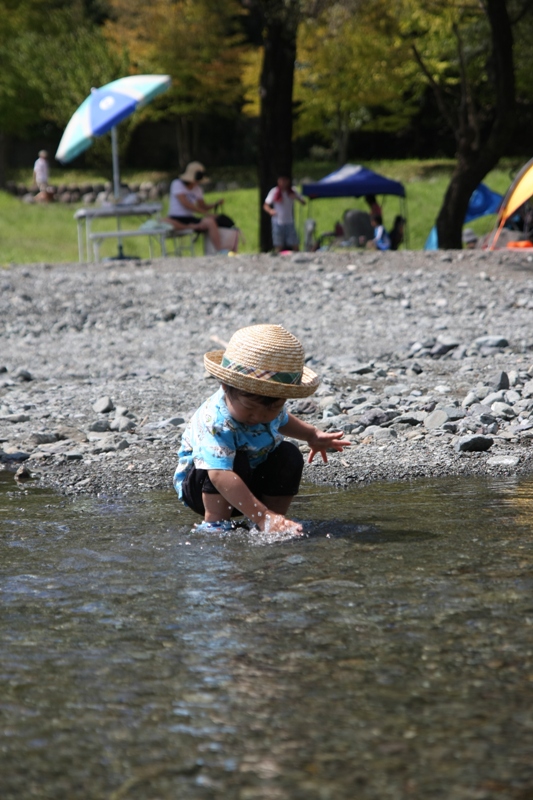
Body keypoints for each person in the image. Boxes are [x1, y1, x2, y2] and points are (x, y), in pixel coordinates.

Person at [174, 324, 351, 535]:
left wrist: (311, 435)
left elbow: (283, 420)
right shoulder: (216, 420)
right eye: (249, 409)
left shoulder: (269, 411)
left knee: (289, 454)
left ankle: (273, 522)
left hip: (250, 482)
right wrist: (262, 514)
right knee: (232, 460)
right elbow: (219, 474)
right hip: (204, 486)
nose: (259, 418)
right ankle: (216, 523)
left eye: (273, 409)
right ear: (225, 386)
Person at [163, 161, 225, 253]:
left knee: (210, 222)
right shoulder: (177, 184)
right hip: (176, 218)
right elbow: (186, 204)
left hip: (190, 218)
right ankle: (193, 226)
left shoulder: (198, 189)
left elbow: (202, 206)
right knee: (165, 221)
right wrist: (206, 213)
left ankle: (220, 250)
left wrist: (215, 204)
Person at [263, 176, 306, 253]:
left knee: (294, 243)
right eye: (281, 180)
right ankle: (278, 258)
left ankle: (298, 255)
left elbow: (303, 202)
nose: (283, 183)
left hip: (289, 220)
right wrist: (270, 211)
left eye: (285, 180)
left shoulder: (292, 191)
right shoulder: (274, 191)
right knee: (278, 243)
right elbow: (266, 205)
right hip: (277, 221)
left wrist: (296, 197)